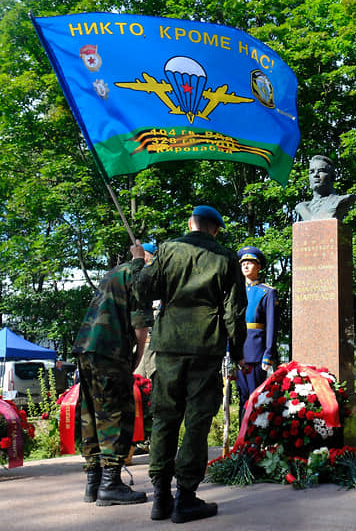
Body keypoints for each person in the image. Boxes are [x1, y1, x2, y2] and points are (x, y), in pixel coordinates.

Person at [130, 205, 247, 523]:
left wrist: (141, 261)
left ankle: (161, 497)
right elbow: (234, 309)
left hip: (168, 344)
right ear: (215, 229)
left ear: (190, 224)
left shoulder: (168, 249)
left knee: (165, 419)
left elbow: (142, 289)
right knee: (197, 421)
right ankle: (186, 497)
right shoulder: (225, 256)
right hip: (206, 345)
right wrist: (237, 352)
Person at [71, 251, 153, 506]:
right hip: (111, 350)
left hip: (86, 347)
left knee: (91, 414)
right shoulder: (140, 275)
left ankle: (93, 482)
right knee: (116, 413)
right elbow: (140, 325)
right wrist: (138, 356)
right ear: (149, 259)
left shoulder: (113, 274)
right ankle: (110, 485)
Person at [235, 246, 277, 422]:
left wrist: (268, 353)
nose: (245, 266)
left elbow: (271, 326)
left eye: (250, 263)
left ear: (258, 267)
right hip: (239, 353)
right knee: (242, 397)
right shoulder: (235, 291)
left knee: (256, 398)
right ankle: (242, 439)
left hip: (256, 353)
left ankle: (255, 438)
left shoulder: (267, 292)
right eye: (243, 263)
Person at [294, 155, 356, 221]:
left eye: (321, 171)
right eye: (312, 172)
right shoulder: (305, 206)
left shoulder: (341, 201)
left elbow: (315, 221)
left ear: (332, 176)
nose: (315, 175)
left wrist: (303, 209)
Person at [134, 243, 160, 379]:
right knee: (136, 384)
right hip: (138, 342)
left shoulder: (159, 280)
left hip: (155, 344)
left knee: (153, 381)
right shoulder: (134, 281)